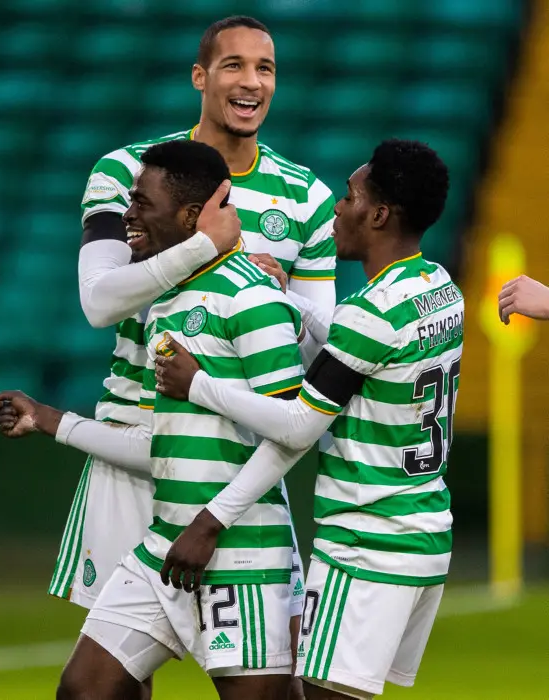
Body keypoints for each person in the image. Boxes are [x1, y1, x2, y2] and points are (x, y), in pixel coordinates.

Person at [53, 12, 335, 691]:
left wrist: (265, 287)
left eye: (264, 68)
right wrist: (206, 250)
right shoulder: (128, 170)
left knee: (257, 681)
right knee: (108, 682)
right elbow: (99, 302)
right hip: (135, 433)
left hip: (232, 455)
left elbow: (317, 341)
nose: (250, 82)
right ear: (200, 76)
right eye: (233, 65)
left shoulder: (308, 198)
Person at [154, 139, 461, 700]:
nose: (338, 209)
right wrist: (292, 301)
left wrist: (199, 385)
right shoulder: (439, 289)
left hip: (367, 542)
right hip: (424, 531)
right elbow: (359, 346)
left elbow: (299, 425)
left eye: (349, 197)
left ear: (379, 214)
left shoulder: (373, 312)